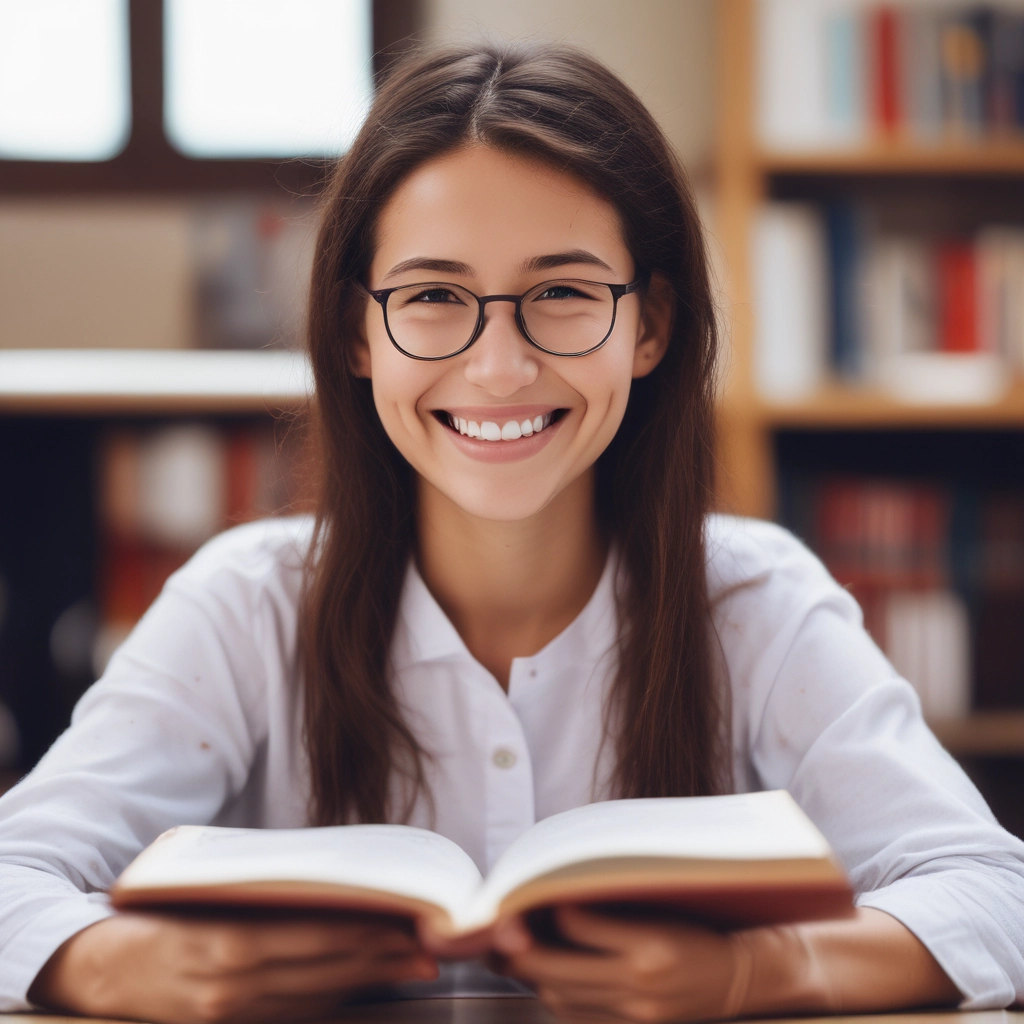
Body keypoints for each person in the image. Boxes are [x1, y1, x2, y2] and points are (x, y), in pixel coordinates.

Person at [1, 41, 1022, 1024]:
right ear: (359, 330)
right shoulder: (245, 605)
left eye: (564, 295)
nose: (498, 367)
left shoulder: (755, 603)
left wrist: (762, 971)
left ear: (651, 326)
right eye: (435, 296)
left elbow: (992, 890)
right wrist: (117, 962)